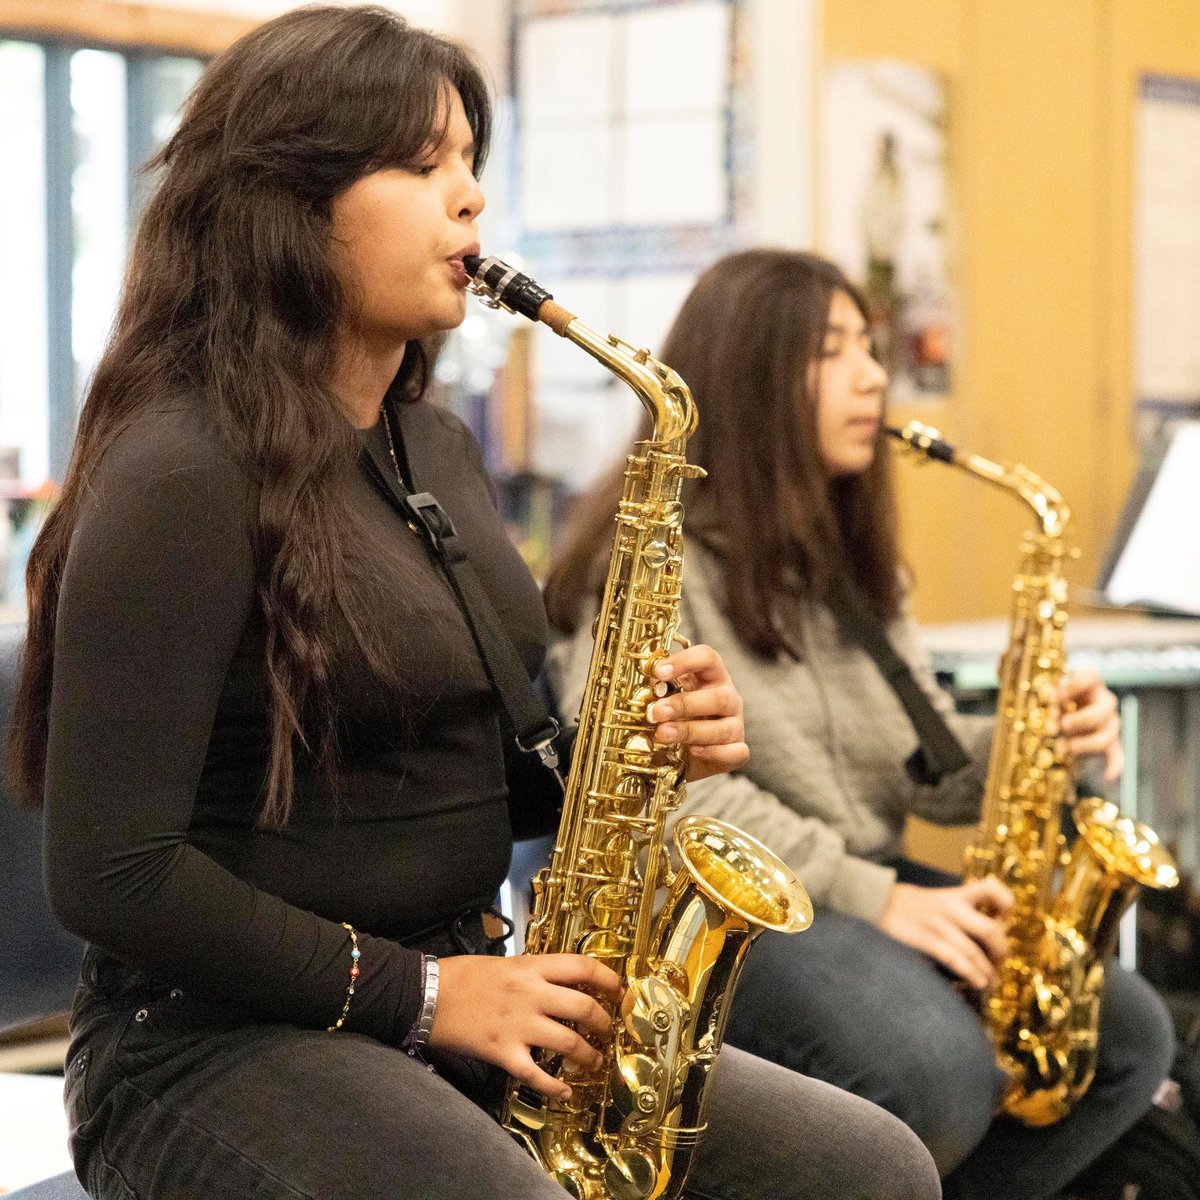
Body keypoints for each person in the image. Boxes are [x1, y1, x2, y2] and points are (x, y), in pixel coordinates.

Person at [8, 12, 942, 1200]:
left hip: (459, 993)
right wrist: (428, 994)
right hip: (209, 1041)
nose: (471, 200)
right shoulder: (179, 467)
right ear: (287, 203)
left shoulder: (433, 447)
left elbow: (473, 772)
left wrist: (636, 754)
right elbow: (109, 874)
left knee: (870, 1168)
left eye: (470, 162)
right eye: (422, 165)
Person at [545, 248, 1175, 1200]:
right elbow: (672, 806)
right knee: (936, 1074)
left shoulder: (844, 560)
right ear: (750, 376)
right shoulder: (648, 566)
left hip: (854, 884)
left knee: (1123, 1033)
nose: (874, 376)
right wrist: (879, 897)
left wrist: (1036, 738)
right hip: (724, 920)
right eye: (832, 350)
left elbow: (924, 767)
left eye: (870, 348)